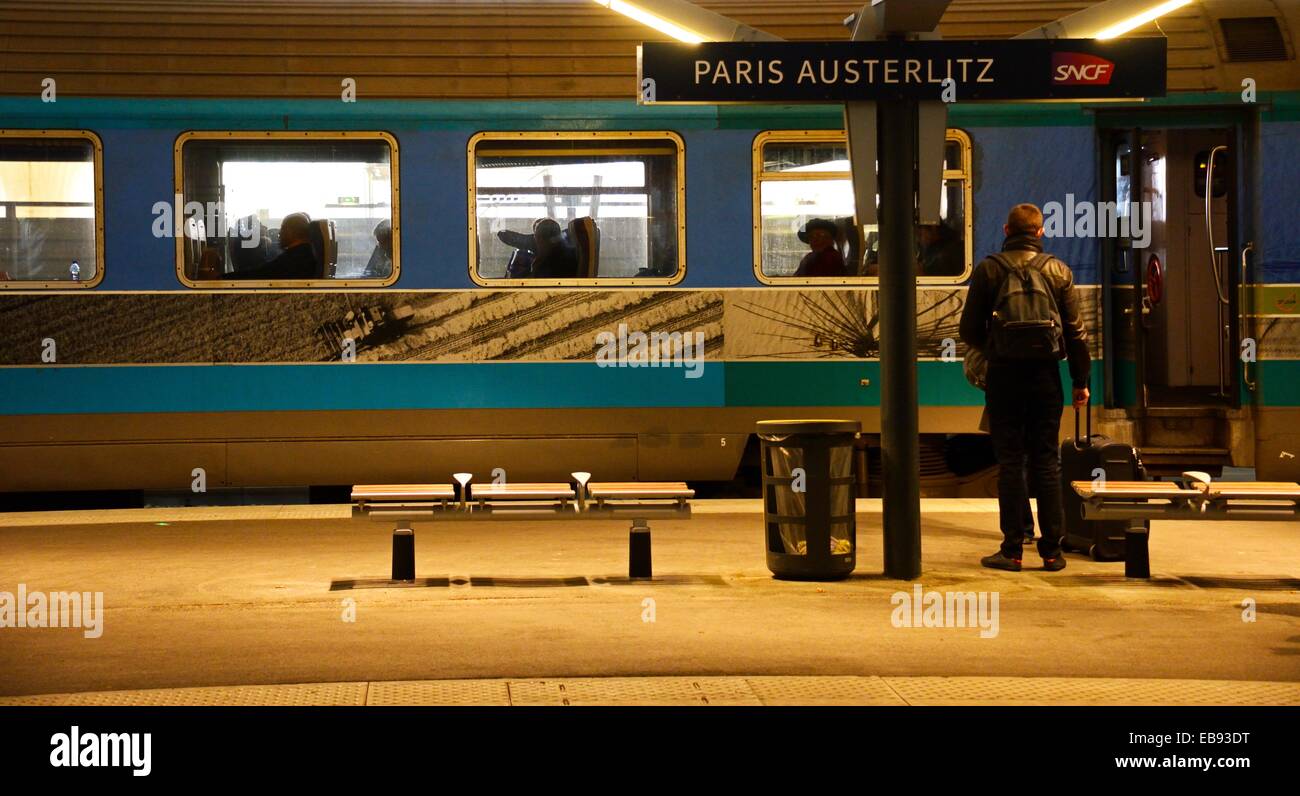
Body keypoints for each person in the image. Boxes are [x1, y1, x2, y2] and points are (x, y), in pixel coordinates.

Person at [959, 203, 1090, 572]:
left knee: (1011, 463)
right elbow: (1076, 333)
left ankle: (1013, 550)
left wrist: (998, 347)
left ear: (1006, 229)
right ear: (1040, 232)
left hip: (1004, 377)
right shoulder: (1058, 270)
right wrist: (1080, 382)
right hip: (1047, 378)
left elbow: (968, 331)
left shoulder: (989, 269)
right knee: (1047, 463)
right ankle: (1052, 552)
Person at [234, 213, 318, 280]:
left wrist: (223, 278)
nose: (279, 233)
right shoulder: (306, 253)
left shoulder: (295, 258)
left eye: (282, 228)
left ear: (290, 231)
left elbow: (262, 273)